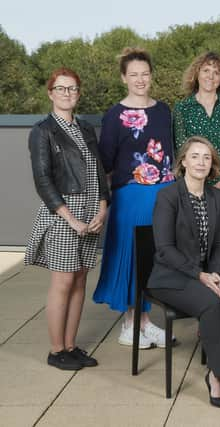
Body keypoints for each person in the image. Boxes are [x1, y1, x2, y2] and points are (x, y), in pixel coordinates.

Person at [148, 136, 220, 410]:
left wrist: (214, 272)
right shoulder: (168, 196)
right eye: (195, 156)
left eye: (206, 157)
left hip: (208, 271)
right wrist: (200, 275)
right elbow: (165, 249)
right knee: (212, 304)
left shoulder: (216, 195)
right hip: (172, 276)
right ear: (183, 162)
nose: (201, 162)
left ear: (212, 163)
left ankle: (214, 371)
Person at [25, 67, 109, 370]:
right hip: (63, 213)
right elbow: (43, 180)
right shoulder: (42, 131)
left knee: (79, 279)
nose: (67, 94)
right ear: (50, 93)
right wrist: (70, 218)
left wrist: (102, 207)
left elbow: (98, 172)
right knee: (62, 282)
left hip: (90, 211)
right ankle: (56, 350)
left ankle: (71, 346)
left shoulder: (86, 129)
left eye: (72, 88)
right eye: (61, 89)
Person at [93, 48, 176, 349]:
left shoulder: (164, 110)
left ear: (151, 75)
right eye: (134, 75)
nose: (140, 80)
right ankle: (129, 324)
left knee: (155, 257)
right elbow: (105, 162)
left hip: (164, 194)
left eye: (145, 73)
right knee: (132, 258)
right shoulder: (115, 115)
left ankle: (145, 322)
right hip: (131, 197)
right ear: (123, 78)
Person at [173, 52, 220, 262]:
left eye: (217, 72)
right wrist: (201, 185)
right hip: (194, 190)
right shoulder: (182, 109)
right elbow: (182, 150)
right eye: (206, 70)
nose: (211, 76)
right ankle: (199, 293)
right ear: (197, 73)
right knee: (196, 249)